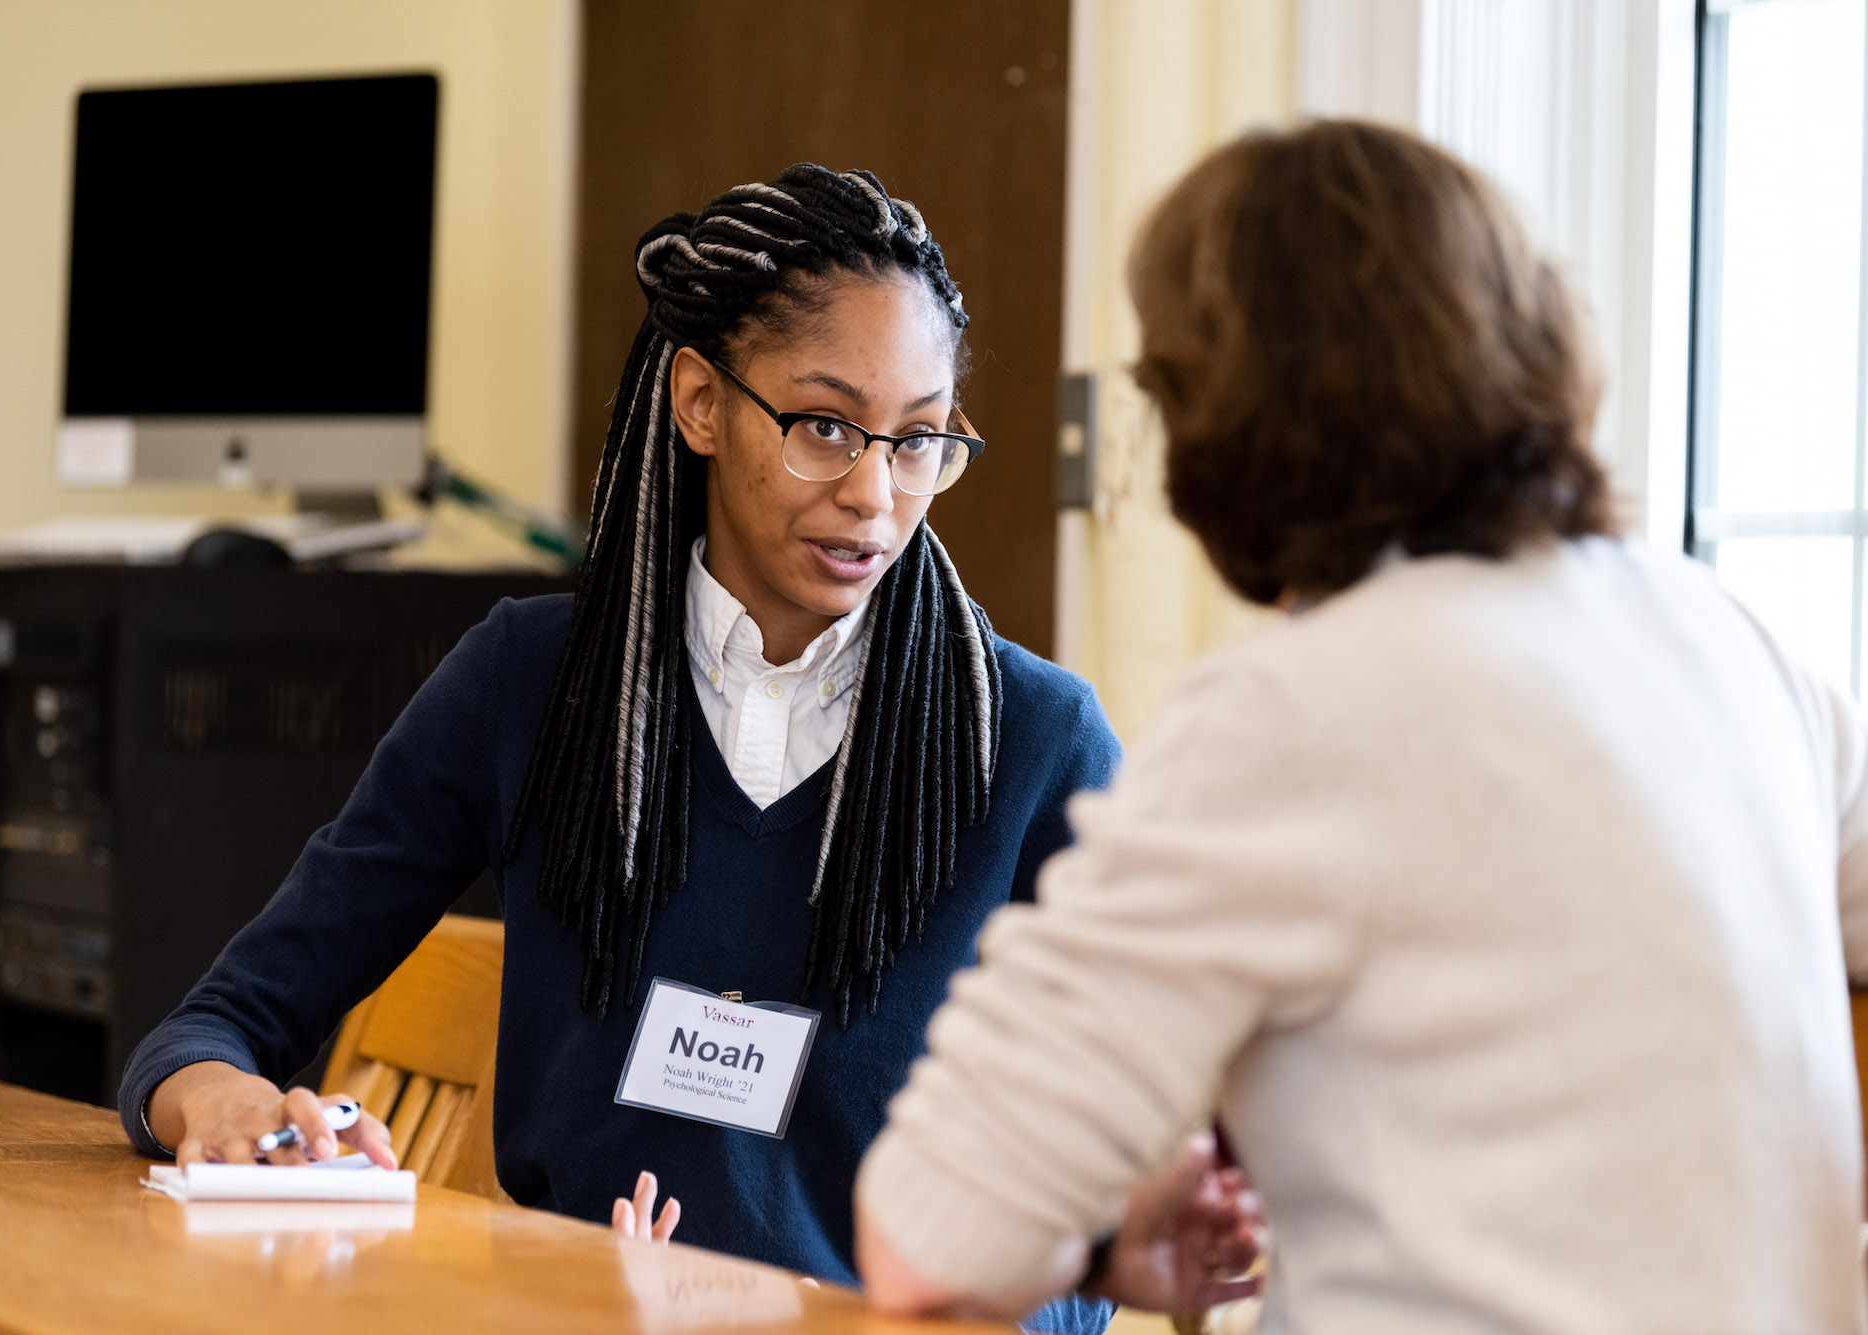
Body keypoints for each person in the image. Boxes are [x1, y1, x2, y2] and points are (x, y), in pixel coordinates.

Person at [116, 163, 1224, 1334]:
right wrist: (227, 1108)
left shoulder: (1037, 743)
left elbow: (1133, 1202)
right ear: (700, 401)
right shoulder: (528, 685)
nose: (873, 494)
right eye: (823, 427)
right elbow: (216, 1024)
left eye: (918, 442)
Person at [852, 119, 1868, 1332]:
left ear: (1206, 418)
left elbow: (929, 1239)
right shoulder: (1726, 641)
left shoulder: (1289, 717)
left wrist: (1116, 1220)